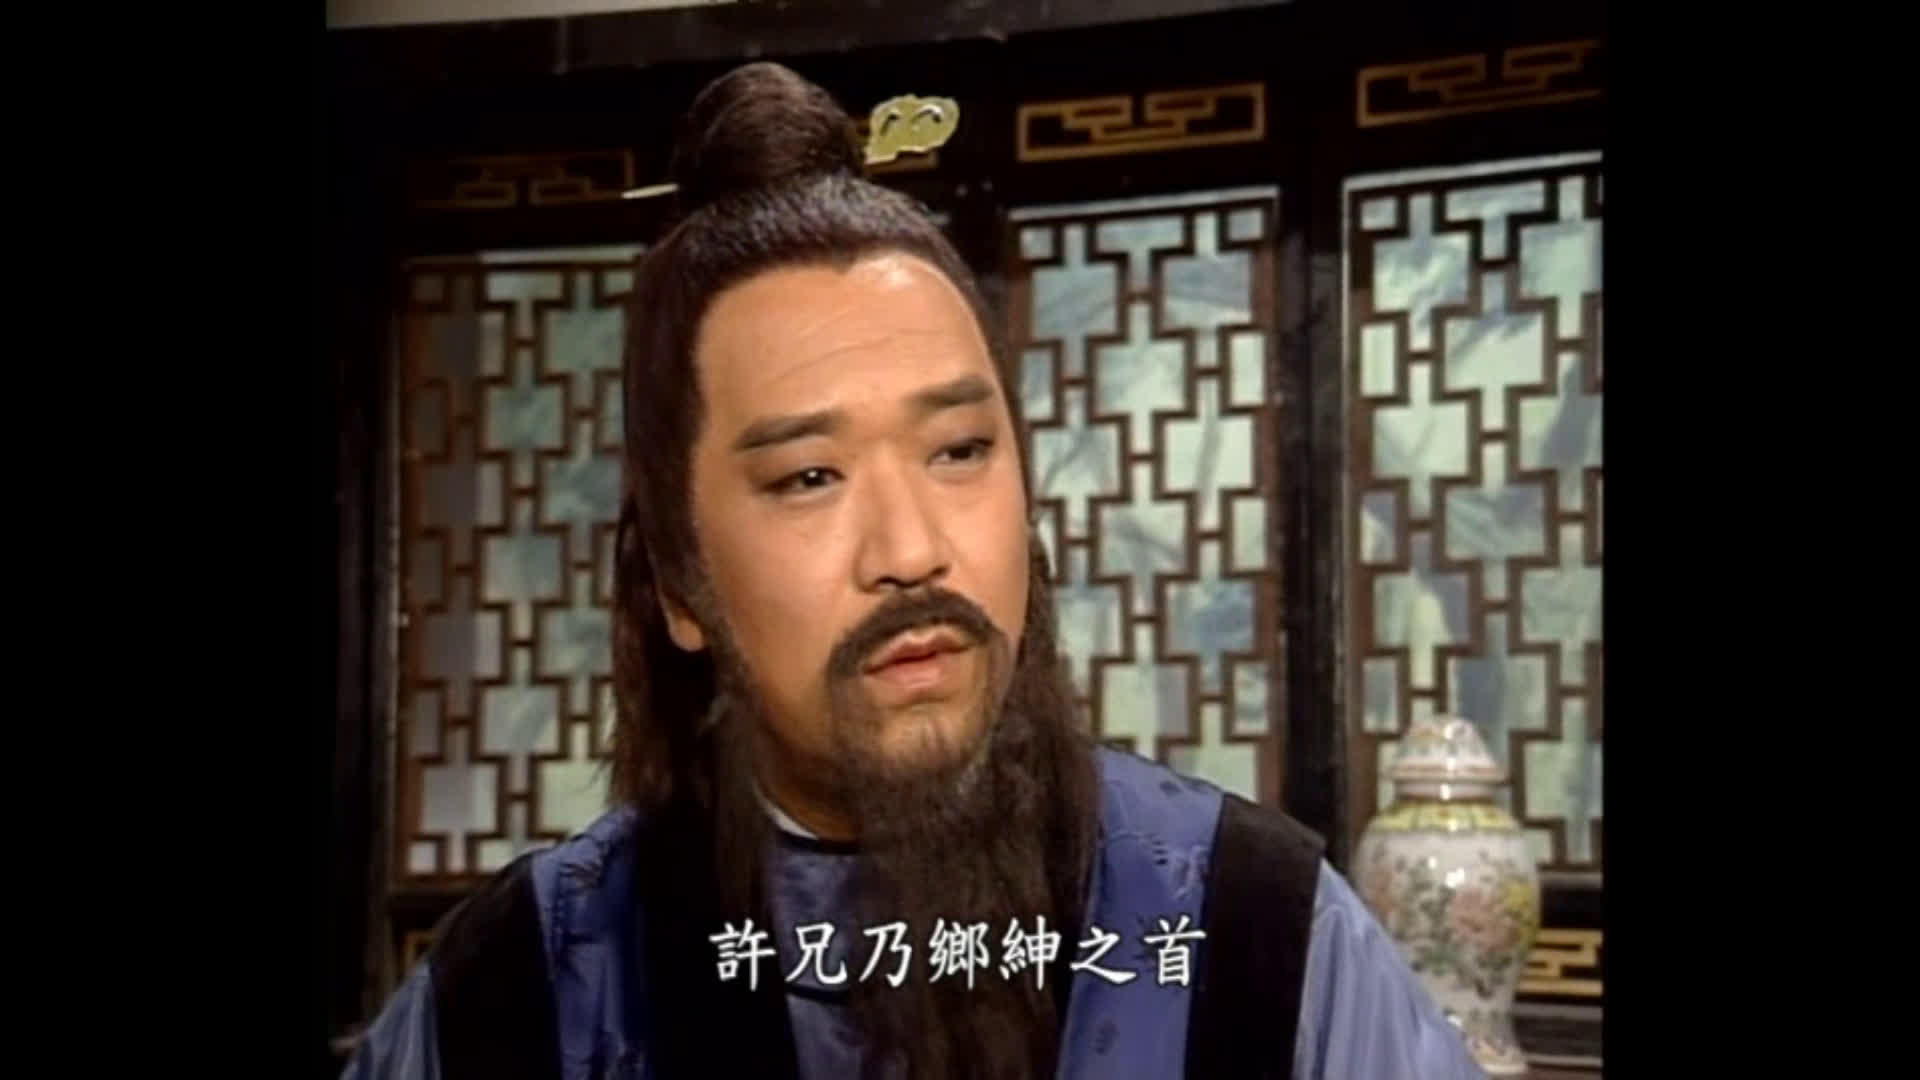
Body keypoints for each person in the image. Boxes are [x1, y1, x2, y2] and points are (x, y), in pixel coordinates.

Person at [342, 62, 1486, 1080]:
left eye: (959, 451)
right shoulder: (528, 987)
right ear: (676, 585)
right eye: (809, 476)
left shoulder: (1256, 931)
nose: (910, 551)